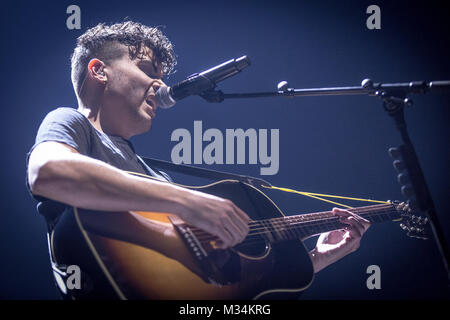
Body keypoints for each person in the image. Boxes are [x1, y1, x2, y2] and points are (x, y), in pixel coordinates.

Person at [26, 21, 370, 299]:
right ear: (99, 71)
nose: (159, 85)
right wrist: (189, 200)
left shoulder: (152, 177)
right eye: (148, 69)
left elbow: (221, 288)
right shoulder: (72, 122)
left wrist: (317, 258)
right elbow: (48, 171)